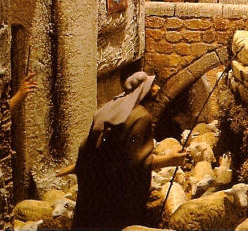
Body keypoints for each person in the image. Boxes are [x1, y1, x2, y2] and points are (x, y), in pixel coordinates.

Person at [66, 72, 187, 229]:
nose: (157, 88)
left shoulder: (108, 108)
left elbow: (87, 146)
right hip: (119, 193)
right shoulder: (141, 117)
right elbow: (137, 162)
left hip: (94, 187)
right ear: (144, 89)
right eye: (152, 85)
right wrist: (170, 160)